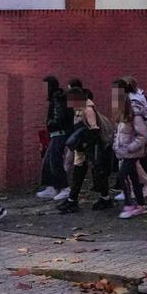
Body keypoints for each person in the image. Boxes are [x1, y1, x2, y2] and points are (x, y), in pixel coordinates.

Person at [57, 87, 107, 215]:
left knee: (98, 172)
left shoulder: (87, 110)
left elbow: (94, 129)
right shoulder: (78, 110)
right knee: (78, 173)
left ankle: (105, 198)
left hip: (90, 147)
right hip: (81, 148)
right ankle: (72, 199)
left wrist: (86, 144)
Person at [111, 80, 147, 219]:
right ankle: (141, 205)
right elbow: (120, 131)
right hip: (125, 150)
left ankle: (129, 205)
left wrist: (131, 147)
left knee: (123, 175)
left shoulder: (134, 109)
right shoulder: (123, 110)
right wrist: (117, 145)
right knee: (133, 177)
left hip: (131, 152)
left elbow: (142, 134)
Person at [36, 76, 73, 200]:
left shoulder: (57, 98)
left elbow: (59, 116)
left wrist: (51, 123)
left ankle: (64, 188)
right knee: (48, 161)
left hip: (59, 134)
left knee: (54, 161)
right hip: (57, 134)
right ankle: (51, 187)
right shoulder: (57, 97)